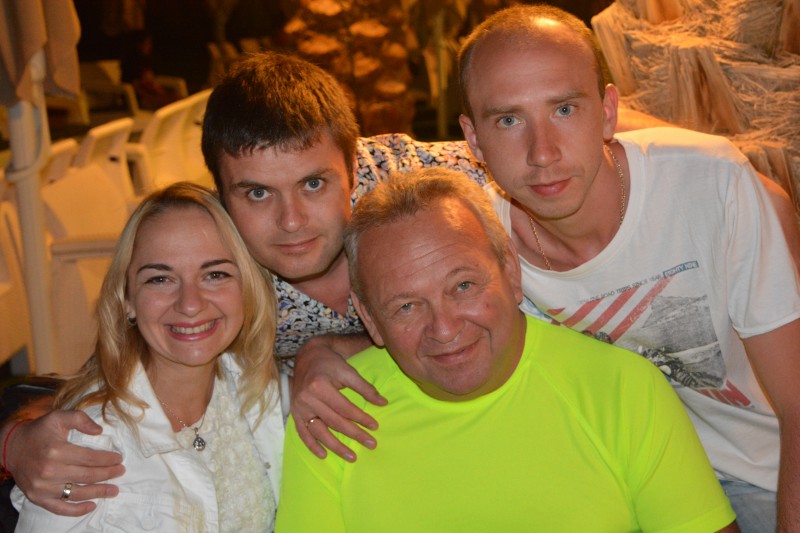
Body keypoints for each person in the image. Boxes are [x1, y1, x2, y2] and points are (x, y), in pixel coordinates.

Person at [4, 46, 799, 517]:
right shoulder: (224, 276)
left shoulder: (430, 182)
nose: (291, 221)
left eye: (314, 183)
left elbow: (569, 133)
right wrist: (16, 439)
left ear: (355, 165)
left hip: (673, 421)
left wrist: (742, 174)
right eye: (256, 194)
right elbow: (123, 371)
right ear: (222, 193)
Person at [453, 5, 800, 531]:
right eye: (509, 120)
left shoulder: (709, 183)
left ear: (608, 112)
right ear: (474, 138)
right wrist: (328, 350)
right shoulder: (480, 241)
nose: (542, 153)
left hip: (767, 469)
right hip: (633, 482)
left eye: (564, 109)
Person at [275, 167, 738, 532]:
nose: (444, 329)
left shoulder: (624, 389)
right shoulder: (331, 416)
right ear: (370, 319)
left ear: (511, 274)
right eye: (406, 306)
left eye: (463, 286)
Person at [11, 183, 284, 531]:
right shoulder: (91, 441)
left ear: (246, 288)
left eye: (215, 274)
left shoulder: (256, 388)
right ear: (127, 300)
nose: (190, 303)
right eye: (160, 279)